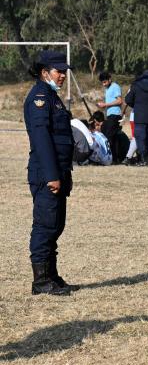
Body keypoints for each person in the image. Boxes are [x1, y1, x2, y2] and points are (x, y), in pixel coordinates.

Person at [24, 51, 78, 295]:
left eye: (64, 72)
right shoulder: (39, 97)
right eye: (59, 71)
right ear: (44, 72)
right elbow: (41, 138)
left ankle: (52, 276)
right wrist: (51, 176)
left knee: (55, 225)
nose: (63, 76)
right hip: (47, 173)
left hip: (58, 171)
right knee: (45, 225)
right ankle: (41, 281)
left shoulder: (51, 97)